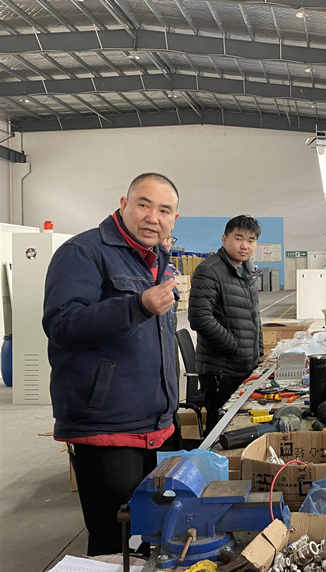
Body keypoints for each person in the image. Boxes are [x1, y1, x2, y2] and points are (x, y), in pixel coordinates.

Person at [43, 173, 180, 555]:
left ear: (174, 218)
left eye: (164, 210)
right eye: (144, 205)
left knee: (150, 540)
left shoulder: (156, 259)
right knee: (114, 545)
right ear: (124, 204)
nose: (153, 217)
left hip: (154, 425)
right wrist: (136, 306)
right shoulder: (83, 252)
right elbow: (62, 325)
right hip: (107, 428)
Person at [188, 215, 264, 431]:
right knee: (218, 427)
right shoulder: (209, 271)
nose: (244, 245)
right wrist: (236, 347)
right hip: (221, 370)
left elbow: (254, 315)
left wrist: (258, 351)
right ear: (224, 239)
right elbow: (200, 318)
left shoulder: (248, 271)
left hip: (245, 366)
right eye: (238, 238)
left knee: (238, 425)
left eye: (250, 240)